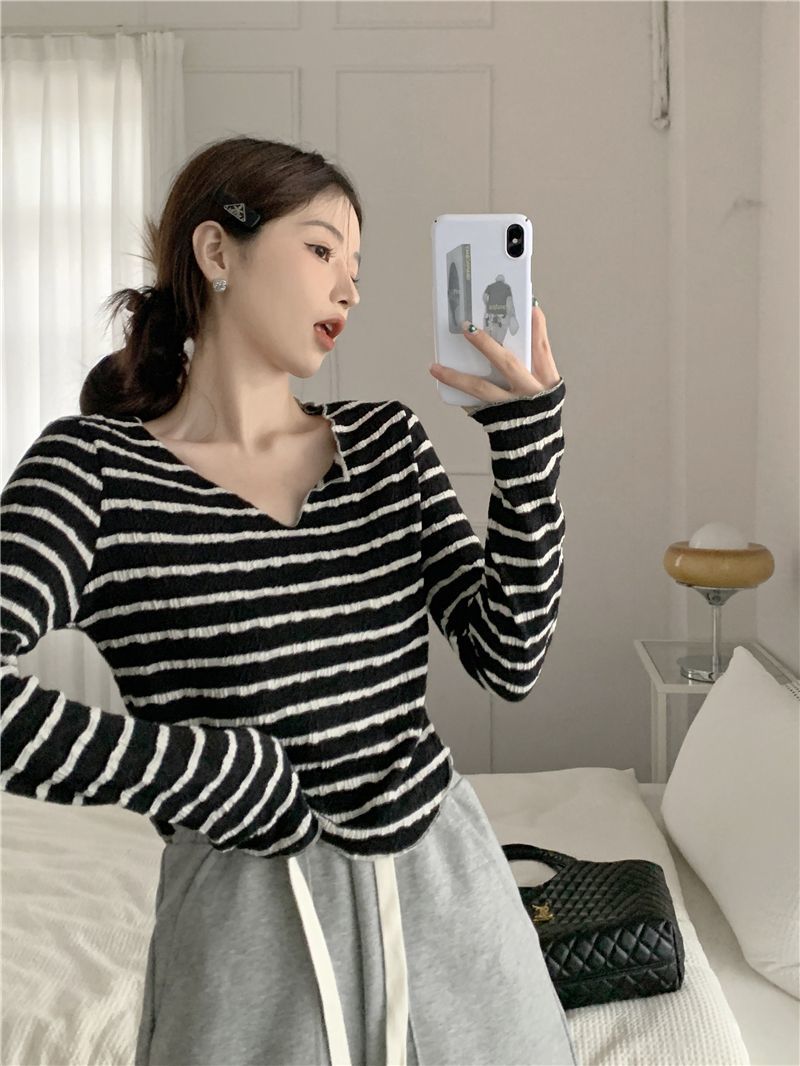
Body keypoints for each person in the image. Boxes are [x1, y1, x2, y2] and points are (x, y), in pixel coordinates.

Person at [0, 135, 575, 1066]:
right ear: (216, 251)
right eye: (320, 250)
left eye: (357, 268)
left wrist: (526, 450)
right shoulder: (93, 471)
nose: (350, 289)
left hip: (450, 907)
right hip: (244, 936)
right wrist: (197, 773)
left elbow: (510, 658)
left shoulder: (387, 445)